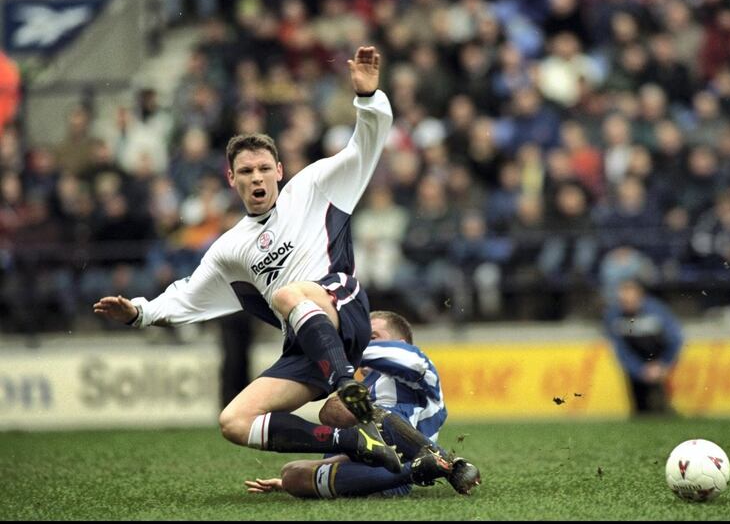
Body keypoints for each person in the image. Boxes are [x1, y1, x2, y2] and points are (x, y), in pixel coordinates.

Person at [93, 46, 401, 473]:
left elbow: (365, 147)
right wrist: (138, 313)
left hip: (342, 304)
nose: (256, 177)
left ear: (279, 170)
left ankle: (345, 383)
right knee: (233, 421)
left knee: (288, 295)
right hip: (307, 345)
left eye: (262, 168)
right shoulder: (230, 248)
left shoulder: (313, 187)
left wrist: (367, 99)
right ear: (231, 178)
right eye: (245, 171)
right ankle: (355, 440)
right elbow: (186, 297)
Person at [244, 310, 481, 498]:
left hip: (402, 459)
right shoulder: (357, 385)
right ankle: (425, 470)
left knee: (344, 407)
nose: (364, 343)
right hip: (369, 470)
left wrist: (330, 350)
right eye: (361, 338)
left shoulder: (418, 372)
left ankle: (439, 463)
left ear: (400, 343)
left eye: (373, 337)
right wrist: (310, 475)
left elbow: (408, 360)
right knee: (291, 475)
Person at [602, 278, 684, 415]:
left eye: (629, 299)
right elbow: (620, 349)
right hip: (636, 366)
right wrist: (639, 370)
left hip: (660, 362)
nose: (626, 303)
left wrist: (663, 364)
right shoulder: (613, 316)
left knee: (663, 408)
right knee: (641, 411)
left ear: (640, 295)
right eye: (622, 300)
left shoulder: (657, 311)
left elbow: (674, 340)